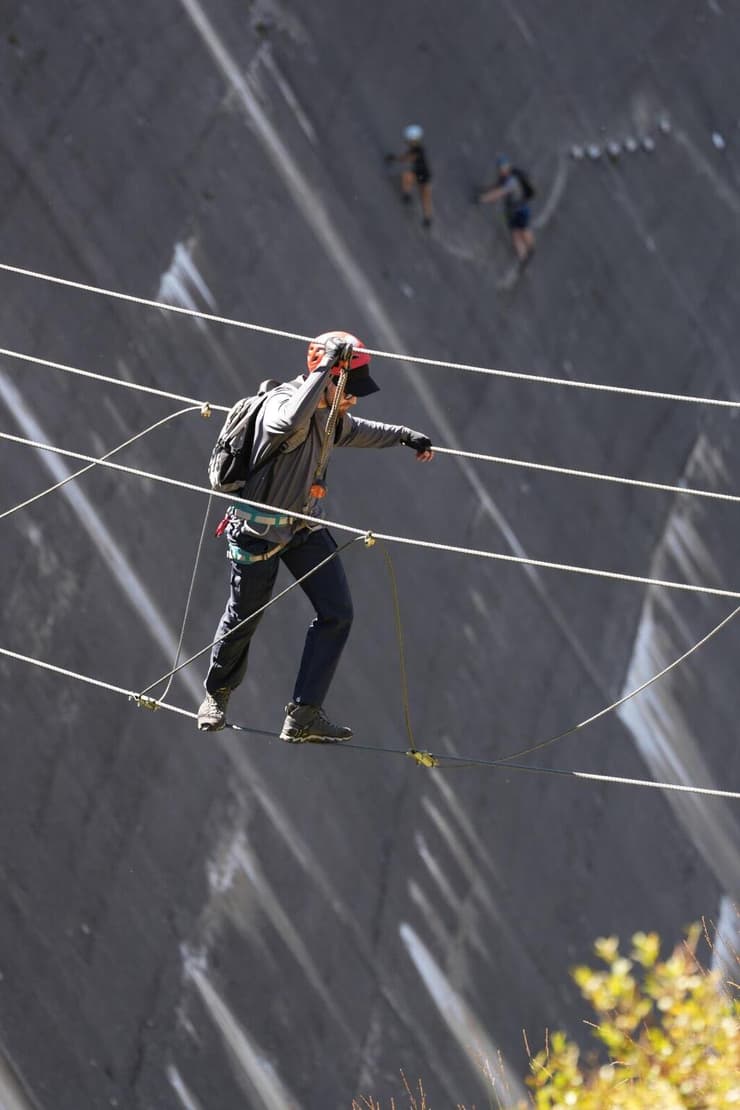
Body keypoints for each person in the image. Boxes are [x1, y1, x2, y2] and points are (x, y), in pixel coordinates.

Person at [197, 331, 434, 742]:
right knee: (243, 619)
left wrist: (403, 435)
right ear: (326, 380)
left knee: (337, 612)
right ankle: (216, 695)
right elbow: (288, 422)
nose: (353, 399)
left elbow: (358, 430)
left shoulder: (329, 414)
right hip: (258, 533)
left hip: (303, 528)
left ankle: (303, 715)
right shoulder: (282, 406)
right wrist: (325, 367)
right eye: (348, 389)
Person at [477, 155, 535, 264]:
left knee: (523, 231)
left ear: (507, 166)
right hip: (512, 211)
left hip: (521, 210)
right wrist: (485, 190)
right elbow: (497, 186)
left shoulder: (511, 181)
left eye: (502, 168)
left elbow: (499, 193)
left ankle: (530, 249)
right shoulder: (504, 178)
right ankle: (523, 258)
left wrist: (483, 199)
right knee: (515, 233)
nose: (501, 170)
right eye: (499, 168)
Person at [385, 124, 433, 228]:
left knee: (424, 195)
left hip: (423, 175)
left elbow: (409, 158)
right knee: (408, 178)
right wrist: (396, 158)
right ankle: (407, 196)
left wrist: (395, 158)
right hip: (420, 174)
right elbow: (407, 157)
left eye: (409, 140)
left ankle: (427, 218)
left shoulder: (418, 150)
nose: (408, 142)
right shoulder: (415, 149)